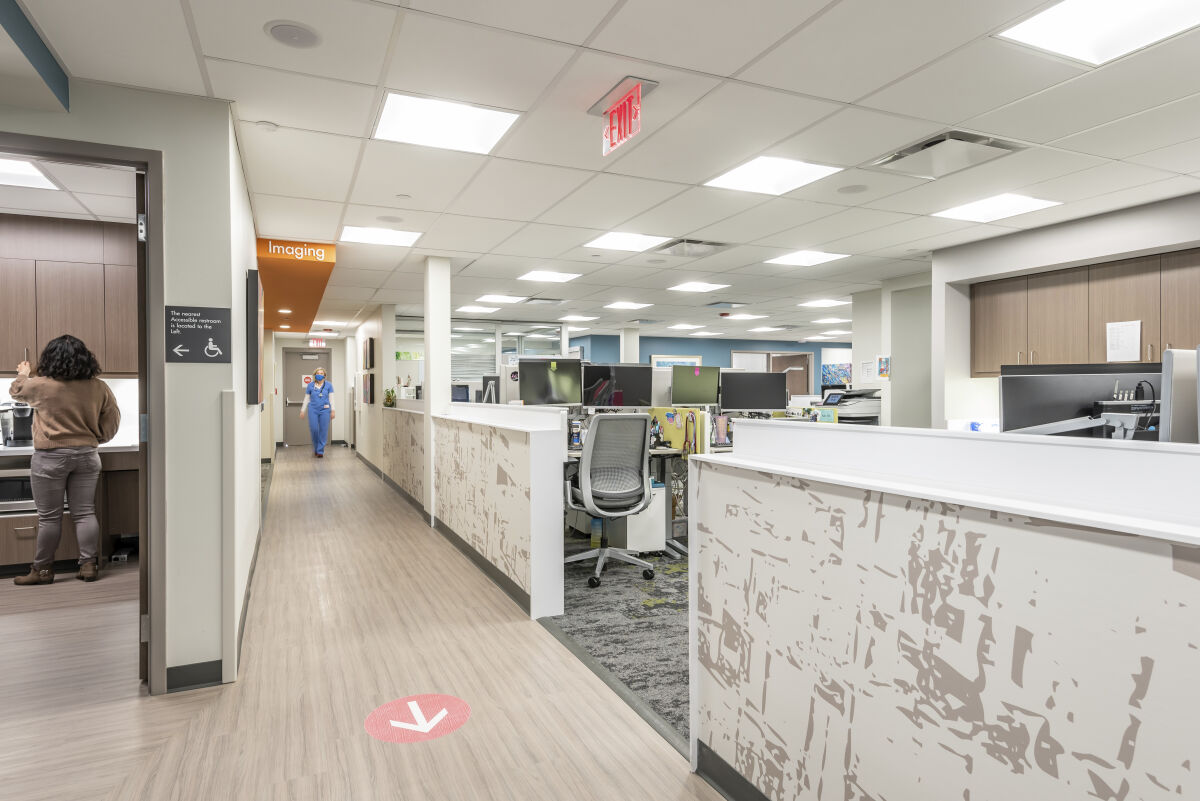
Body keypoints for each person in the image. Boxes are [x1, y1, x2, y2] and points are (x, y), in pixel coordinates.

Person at [10, 335, 120, 586]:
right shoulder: (98, 386)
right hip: (87, 456)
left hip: (50, 459)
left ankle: (43, 571)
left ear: (48, 359)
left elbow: (16, 391)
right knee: (84, 513)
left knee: (49, 517)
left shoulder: (39, 385)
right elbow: (112, 419)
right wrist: (97, 438)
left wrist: (26, 371)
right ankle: (89, 566)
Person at [300, 367, 335, 457]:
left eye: (321, 373)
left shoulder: (329, 385)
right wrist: (302, 410)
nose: (319, 374)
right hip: (313, 410)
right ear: (315, 375)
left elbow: (332, 399)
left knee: (323, 430)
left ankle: (320, 451)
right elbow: (306, 398)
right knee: (314, 429)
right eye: (318, 373)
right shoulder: (310, 385)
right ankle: (316, 447)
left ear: (325, 375)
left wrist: (333, 410)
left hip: (325, 410)